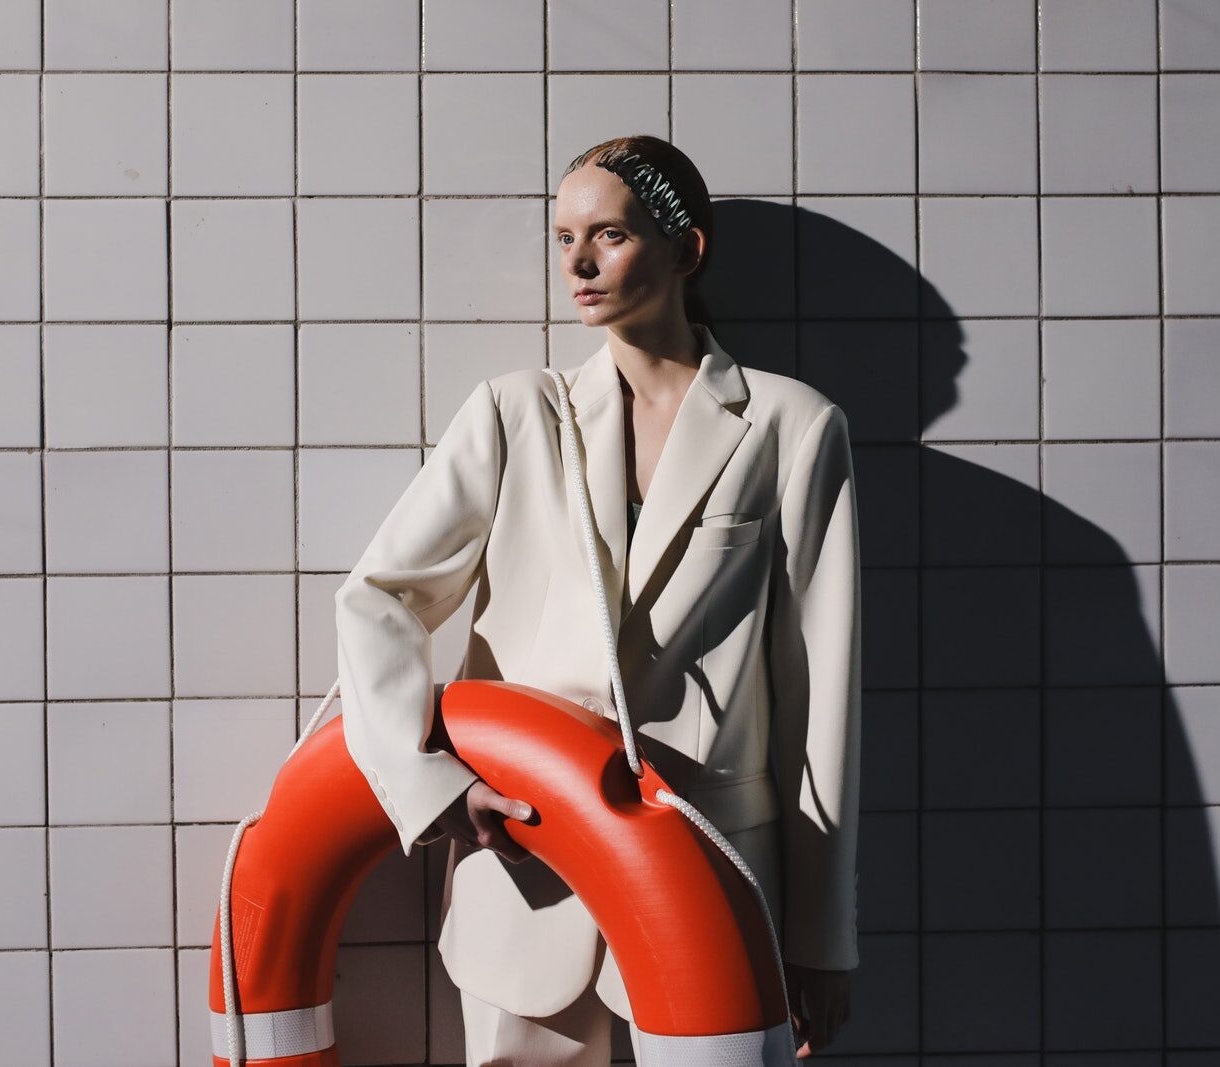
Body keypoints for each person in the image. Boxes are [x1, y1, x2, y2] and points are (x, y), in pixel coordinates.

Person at [333, 134, 861, 1065]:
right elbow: (378, 596)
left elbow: (820, 694)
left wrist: (821, 934)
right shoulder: (515, 412)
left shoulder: (793, 425)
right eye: (564, 238)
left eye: (609, 235)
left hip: (711, 871)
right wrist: (434, 786)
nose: (577, 263)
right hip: (527, 865)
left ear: (685, 249)